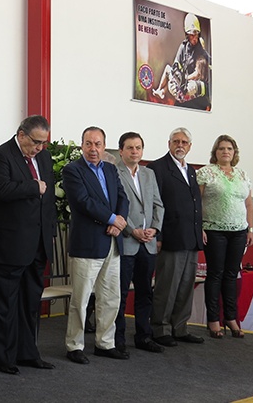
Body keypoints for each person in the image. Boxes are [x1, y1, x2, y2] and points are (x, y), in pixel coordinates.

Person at [0, 115, 57, 375]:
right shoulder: (1, 155)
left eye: (43, 143)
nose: (39, 148)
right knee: (4, 305)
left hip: (37, 245)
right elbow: (2, 189)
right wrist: (33, 186)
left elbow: (48, 201)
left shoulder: (44, 158)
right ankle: (4, 357)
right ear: (21, 134)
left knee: (30, 303)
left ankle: (27, 353)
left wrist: (50, 234)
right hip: (7, 244)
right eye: (35, 142)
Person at [62, 127, 129, 364]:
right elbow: (83, 202)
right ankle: (74, 345)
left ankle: (105, 343)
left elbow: (123, 198)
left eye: (98, 144)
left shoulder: (111, 169)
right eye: (89, 144)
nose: (93, 149)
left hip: (112, 242)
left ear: (104, 146)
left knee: (111, 297)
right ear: (82, 145)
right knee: (80, 300)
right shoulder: (72, 170)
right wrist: (112, 219)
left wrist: (119, 223)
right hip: (88, 244)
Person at [147, 127, 204, 347]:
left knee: (185, 286)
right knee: (167, 286)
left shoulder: (190, 170)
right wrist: (158, 235)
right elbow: (154, 204)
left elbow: (195, 204)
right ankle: (160, 329)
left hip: (190, 237)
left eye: (184, 142)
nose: (180, 145)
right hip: (170, 237)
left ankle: (180, 327)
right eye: (176, 141)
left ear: (190, 146)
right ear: (168, 143)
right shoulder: (157, 168)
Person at [197, 135, 253, 339]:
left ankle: (231, 318)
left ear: (234, 152)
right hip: (213, 230)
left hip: (239, 231)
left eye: (229, 148)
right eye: (221, 148)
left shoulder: (242, 174)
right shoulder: (205, 173)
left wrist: (250, 229)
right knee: (215, 274)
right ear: (215, 152)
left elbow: (248, 205)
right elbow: (196, 202)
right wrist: (199, 228)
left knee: (231, 275)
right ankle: (213, 320)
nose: (225, 152)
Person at [114, 132, 165, 354]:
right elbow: (114, 207)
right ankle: (117, 339)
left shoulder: (149, 174)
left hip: (148, 243)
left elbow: (158, 205)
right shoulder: (113, 172)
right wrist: (132, 230)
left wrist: (155, 228)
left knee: (145, 292)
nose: (135, 152)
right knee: (121, 293)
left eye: (138, 148)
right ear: (121, 150)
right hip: (127, 241)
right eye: (130, 148)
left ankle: (144, 336)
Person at [152, 13, 212, 110]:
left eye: (196, 34)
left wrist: (186, 79)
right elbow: (176, 67)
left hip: (196, 95)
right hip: (183, 90)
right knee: (169, 70)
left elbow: (198, 73)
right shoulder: (183, 47)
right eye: (191, 35)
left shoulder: (202, 53)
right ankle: (161, 91)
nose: (194, 38)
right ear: (187, 34)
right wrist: (179, 79)